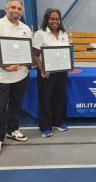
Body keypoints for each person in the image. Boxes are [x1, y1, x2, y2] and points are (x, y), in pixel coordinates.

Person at [0, 0, 32, 157]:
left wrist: (28, 63)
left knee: (16, 106)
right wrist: (5, 66)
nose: (16, 11)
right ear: (6, 9)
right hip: (1, 77)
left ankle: (12, 130)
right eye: (13, 7)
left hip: (21, 76)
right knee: (0, 109)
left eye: (19, 8)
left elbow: (27, 51)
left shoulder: (26, 29)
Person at [32, 8, 69, 138]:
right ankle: (45, 126)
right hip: (46, 72)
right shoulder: (40, 34)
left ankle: (58, 122)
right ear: (47, 19)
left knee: (59, 98)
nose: (55, 21)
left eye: (57, 19)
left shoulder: (64, 34)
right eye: (52, 18)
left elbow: (66, 53)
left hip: (61, 71)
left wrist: (68, 65)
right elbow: (35, 55)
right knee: (45, 99)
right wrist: (42, 69)